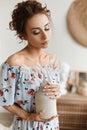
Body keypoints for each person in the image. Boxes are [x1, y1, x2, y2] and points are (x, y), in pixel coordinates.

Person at [0, 0, 61, 129]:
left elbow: (54, 93)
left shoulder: (52, 60)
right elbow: (4, 100)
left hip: (51, 125)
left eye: (47, 28)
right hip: (27, 126)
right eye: (36, 32)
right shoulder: (14, 63)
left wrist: (57, 91)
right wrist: (27, 116)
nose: (45, 36)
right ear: (24, 35)